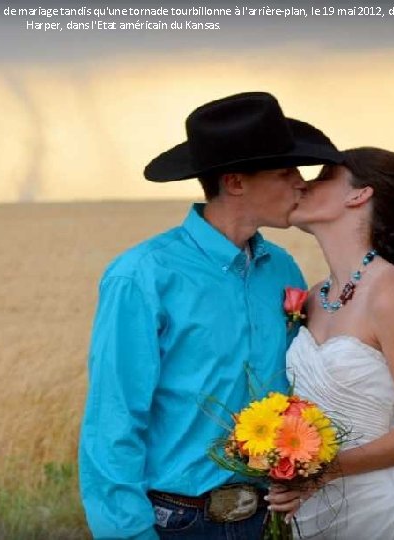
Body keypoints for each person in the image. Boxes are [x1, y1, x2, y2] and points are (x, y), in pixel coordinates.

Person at [78, 91, 344, 539]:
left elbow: (290, 388)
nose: (302, 182)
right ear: (235, 182)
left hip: (271, 520)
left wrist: (295, 479)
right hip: (178, 523)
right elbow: (114, 420)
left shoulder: (282, 268)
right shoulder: (143, 275)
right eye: (285, 171)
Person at [266, 147, 394, 539]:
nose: (303, 183)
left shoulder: (390, 292)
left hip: (373, 512)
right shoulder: (314, 296)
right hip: (306, 512)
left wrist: (325, 471)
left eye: (322, 176)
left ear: (358, 195)